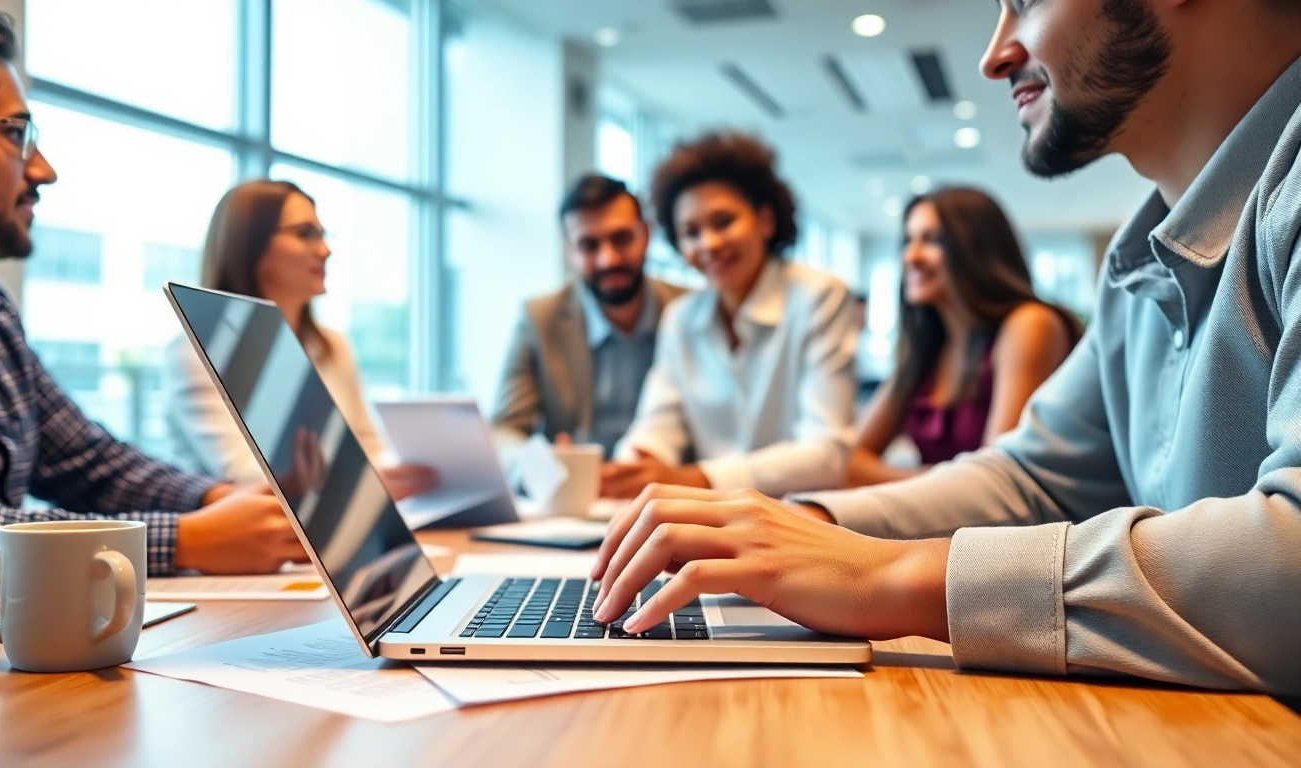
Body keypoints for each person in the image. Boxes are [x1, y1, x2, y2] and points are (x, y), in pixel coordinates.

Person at [590, 0, 1301, 695]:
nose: (995, 55)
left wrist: (885, 575)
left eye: (1023, 3)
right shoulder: (1135, 266)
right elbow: (1032, 480)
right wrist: (807, 527)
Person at [0, 6, 305, 576]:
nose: (42, 170)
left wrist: (214, 503)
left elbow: (89, 462)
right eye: (15, 135)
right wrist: (178, 541)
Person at [601, 133, 858, 499]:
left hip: (799, 523)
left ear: (765, 221)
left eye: (723, 222)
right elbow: (657, 428)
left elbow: (828, 454)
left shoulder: (818, 296)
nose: (709, 244)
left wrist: (697, 479)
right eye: (690, 232)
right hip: (713, 520)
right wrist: (630, 466)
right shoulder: (681, 318)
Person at [165, 180, 435, 502]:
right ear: (249, 244)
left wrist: (411, 473)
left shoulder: (333, 347)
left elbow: (367, 446)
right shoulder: (196, 351)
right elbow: (247, 474)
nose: (325, 250)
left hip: (335, 532)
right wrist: (366, 484)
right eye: (305, 233)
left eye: (322, 234)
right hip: (250, 542)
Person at [848, 188, 1080, 487]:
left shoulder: (1029, 324)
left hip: (1013, 531)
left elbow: (996, 484)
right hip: (940, 524)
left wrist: (907, 481)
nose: (910, 256)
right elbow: (851, 464)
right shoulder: (928, 347)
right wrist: (951, 481)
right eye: (908, 240)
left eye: (931, 240)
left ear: (977, 249)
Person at [491, 174, 685, 464]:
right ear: (568, 250)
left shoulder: (688, 310)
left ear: (647, 234)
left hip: (675, 490)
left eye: (621, 239)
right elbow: (505, 430)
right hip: (574, 494)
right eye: (588, 245)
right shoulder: (539, 318)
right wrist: (543, 467)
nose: (609, 259)